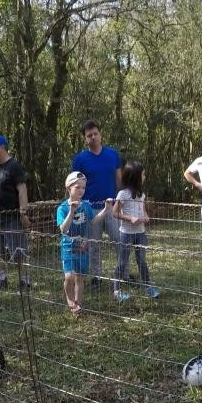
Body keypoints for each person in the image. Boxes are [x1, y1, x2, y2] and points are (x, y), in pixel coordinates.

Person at [71, 120, 122, 283]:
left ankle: (123, 273)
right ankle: (96, 276)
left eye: (95, 134)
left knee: (119, 241)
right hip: (90, 209)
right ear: (85, 138)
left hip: (112, 207)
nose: (93, 137)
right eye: (89, 135)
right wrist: (77, 206)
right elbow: (75, 185)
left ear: (100, 135)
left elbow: (118, 179)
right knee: (93, 244)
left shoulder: (113, 155)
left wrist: (121, 202)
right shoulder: (80, 160)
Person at [58, 171, 111, 316]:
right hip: (68, 249)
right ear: (69, 188)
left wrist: (106, 210)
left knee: (80, 277)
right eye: (77, 187)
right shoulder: (62, 208)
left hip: (83, 248)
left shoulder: (86, 206)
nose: (81, 190)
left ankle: (78, 305)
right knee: (69, 277)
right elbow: (63, 229)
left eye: (83, 187)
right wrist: (72, 211)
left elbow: (93, 221)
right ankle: (70, 301)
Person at [0, 133, 30, 290]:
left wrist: (23, 214)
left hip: (12, 218)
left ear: (2, 147)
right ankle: (1, 278)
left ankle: (25, 281)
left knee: (18, 253)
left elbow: (22, 190)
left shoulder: (14, 166)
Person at [112, 161, 161, 302]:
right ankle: (116, 290)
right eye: (143, 174)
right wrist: (130, 218)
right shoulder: (123, 194)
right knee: (122, 261)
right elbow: (115, 213)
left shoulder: (141, 194)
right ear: (135, 177)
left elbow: (143, 211)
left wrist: (146, 217)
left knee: (142, 261)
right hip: (126, 234)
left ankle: (148, 286)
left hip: (141, 233)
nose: (145, 177)